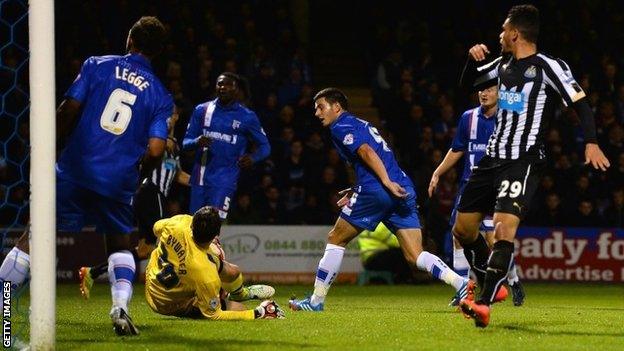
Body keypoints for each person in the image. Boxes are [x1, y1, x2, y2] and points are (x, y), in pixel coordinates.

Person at [0, 16, 175, 335]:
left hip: (75, 169)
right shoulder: (161, 96)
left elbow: (68, 109)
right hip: (118, 179)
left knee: (34, 236)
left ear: (129, 40)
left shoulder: (97, 65)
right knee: (120, 244)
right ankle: (120, 307)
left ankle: (4, 306)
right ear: (158, 52)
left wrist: (46, 150)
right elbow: (155, 149)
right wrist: (138, 175)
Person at [455, 4, 609, 327]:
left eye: (502, 29)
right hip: (493, 157)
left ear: (514, 33)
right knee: (463, 228)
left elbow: (581, 104)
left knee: (501, 228)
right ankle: (492, 282)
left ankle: (483, 303)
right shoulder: (503, 64)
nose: (499, 35)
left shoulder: (548, 66)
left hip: (522, 159)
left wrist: (591, 141)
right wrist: (471, 62)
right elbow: (469, 85)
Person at [289, 88, 469, 311]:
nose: (317, 113)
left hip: (379, 189)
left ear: (336, 107)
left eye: (320, 107)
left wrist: (383, 183)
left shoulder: (340, 125)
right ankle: (461, 283)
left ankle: (315, 301)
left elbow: (366, 152)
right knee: (415, 255)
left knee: (336, 238)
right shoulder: (362, 124)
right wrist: (358, 188)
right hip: (402, 187)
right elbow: (376, 155)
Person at [428, 84, 525, 307]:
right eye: (481, 89)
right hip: (469, 187)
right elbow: (457, 149)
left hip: (495, 187)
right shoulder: (468, 117)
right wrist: (438, 172)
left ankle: (514, 281)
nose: (484, 93)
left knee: (496, 239)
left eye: (490, 89)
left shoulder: (509, 117)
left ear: (501, 92)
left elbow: (523, 102)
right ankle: (464, 288)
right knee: (458, 235)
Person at [78, 109, 190, 299]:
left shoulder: (174, 145)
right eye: (165, 114)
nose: (167, 117)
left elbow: (178, 175)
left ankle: (92, 272)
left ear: (177, 116)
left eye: (171, 113)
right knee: (167, 239)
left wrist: (206, 182)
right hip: (151, 191)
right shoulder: (154, 137)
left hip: (153, 195)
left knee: (145, 250)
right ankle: (171, 286)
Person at [145, 206, 284, 320]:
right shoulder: (206, 274)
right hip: (165, 303)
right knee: (239, 309)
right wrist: (258, 313)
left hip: (155, 277)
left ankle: (240, 293)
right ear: (216, 234)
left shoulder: (178, 222)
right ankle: (226, 297)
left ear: (193, 224)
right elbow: (214, 315)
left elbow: (156, 228)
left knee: (233, 271)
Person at [182, 72, 270, 218]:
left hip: (225, 179)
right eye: (220, 84)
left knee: (212, 223)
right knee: (193, 224)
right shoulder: (202, 110)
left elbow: (265, 146)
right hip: (200, 177)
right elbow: (185, 143)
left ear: (237, 89)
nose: (223, 87)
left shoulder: (247, 116)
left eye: (228, 85)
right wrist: (196, 142)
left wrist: (253, 158)